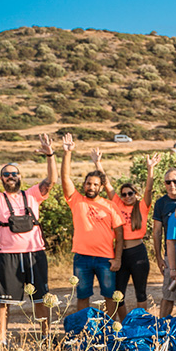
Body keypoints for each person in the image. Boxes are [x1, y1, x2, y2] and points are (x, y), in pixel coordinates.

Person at [0, 131, 56, 346]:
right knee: (3, 301)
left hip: (35, 253)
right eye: (7, 174)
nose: (11, 176)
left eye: (14, 173)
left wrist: (50, 155)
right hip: (7, 255)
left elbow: (51, 180)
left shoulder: (33, 194)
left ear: (20, 177)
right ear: (1, 178)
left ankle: (45, 336)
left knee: (40, 298)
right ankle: (2, 340)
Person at [60, 134, 124, 316]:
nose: (91, 187)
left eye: (95, 184)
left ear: (101, 187)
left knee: (110, 297)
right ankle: (83, 330)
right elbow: (64, 177)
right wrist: (67, 153)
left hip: (106, 258)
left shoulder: (110, 206)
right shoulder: (76, 200)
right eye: (88, 183)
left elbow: (119, 235)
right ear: (84, 185)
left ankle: (111, 330)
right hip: (82, 258)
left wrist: (117, 259)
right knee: (82, 296)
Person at [99, 150, 160, 319]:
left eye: (130, 194)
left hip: (137, 252)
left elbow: (149, 188)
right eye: (124, 194)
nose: (127, 197)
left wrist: (150, 169)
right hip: (119, 253)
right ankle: (125, 323)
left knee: (141, 292)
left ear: (136, 195)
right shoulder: (117, 203)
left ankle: (142, 323)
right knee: (118, 293)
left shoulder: (142, 207)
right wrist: (98, 163)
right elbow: (107, 184)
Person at [153, 166, 176, 317]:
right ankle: (160, 328)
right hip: (171, 258)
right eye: (168, 182)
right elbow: (157, 232)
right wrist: (159, 257)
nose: (172, 185)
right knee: (169, 294)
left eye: (175, 181)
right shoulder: (161, 203)